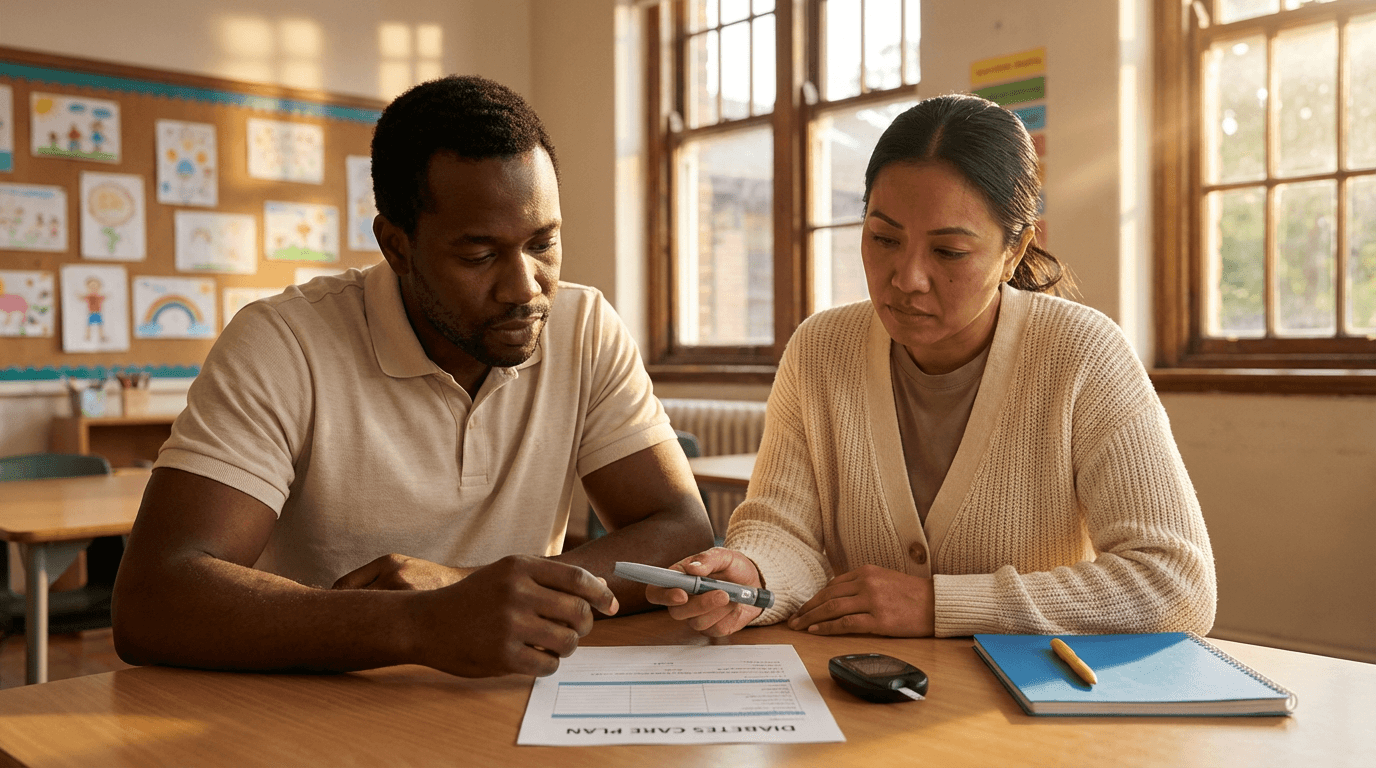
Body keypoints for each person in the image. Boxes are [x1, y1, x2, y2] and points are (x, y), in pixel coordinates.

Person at [112, 75, 715, 678]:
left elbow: (679, 529)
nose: (525, 287)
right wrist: (421, 622)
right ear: (396, 246)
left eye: (543, 243)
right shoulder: (283, 342)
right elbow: (153, 601)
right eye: (478, 255)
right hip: (310, 703)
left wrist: (471, 590)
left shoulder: (583, 327)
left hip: (499, 701)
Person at [647, 94, 1216, 639]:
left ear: (1013, 252)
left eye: (948, 252)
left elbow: (1176, 583)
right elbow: (782, 530)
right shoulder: (821, 349)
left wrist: (938, 604)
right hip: (860, 693)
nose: (906, 278)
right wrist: (754, 573)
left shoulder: (1082, 354)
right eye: (883, 238)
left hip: (1019, 716)